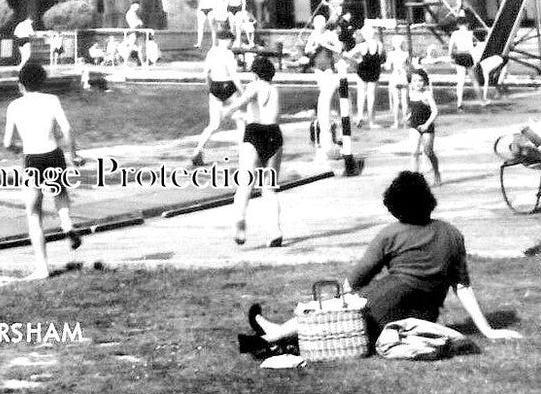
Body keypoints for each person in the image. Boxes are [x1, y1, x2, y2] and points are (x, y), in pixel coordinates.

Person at [247, 171, 522, 351]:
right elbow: (462, 287)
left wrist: (331, 305)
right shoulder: (452, 233)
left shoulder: (390, 234)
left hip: (383, 306)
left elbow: (353, 282)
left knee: (336, 309)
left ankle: (276, 334)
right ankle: (279, 332)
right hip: (423, 317)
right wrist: (488, 330)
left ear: (394, 204)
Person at [3, 62, 83, 280]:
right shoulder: (52, 100)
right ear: (42, 81)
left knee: (34, 214)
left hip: (32, 157)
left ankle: (42, 268)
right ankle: (67, 224)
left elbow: (7, 143)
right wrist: (73, 155)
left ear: (20, 85)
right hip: (53, 153)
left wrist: (19, 149)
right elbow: (67, 130)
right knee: (60, 194)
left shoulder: (15, 106)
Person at [221, 57, 284, 247]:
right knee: (269, 188)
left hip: (255, 134)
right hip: (274, 134)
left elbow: (243, 101)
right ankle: (275, 231)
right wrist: (244, 115)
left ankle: (240, 224)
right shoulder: (275, 90)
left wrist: (227, 111)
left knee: (245, 185)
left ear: (255, 74)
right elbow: (266, 111)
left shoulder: (254, 86)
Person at [191, 31, 242, 167]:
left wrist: (210, 88)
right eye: (231, 41)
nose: (232, 44)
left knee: (214, 124)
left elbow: (206, 73)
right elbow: (233, 75)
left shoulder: (211, 53)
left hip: (215, 86)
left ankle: (198, 150)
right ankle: (244, 153)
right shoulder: (228, 54)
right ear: (226, 40)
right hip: (229, 86)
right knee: (240, 120)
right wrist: (242, 91)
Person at [305, 15, 343, 154]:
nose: (319, 26)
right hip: (317, 66)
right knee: (323, 95)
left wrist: (326, 44)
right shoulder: (313, 35)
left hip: (327, 65)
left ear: (325, 24)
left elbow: (339, 48)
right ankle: (324, 121)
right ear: (314, 24)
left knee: (328, 93)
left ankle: (329, 121)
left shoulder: (330, 34)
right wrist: (315, 46)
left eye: (321, 23)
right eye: (316, 23)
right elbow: (307, 50)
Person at [407, 69, 441, 185]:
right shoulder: (411, 93)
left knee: (428, 152)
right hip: (414, 126)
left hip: (427, 127)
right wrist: (408, 116)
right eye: (415, 81)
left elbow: (435, 111)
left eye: (420, 80)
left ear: (425, 81)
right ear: (411, 82)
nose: (417, 83)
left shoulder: (427, 94)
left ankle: (437, 173)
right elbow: (413, 108)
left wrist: (426, 125)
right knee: (414, 152)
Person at [350, 24, 386, 128]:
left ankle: (360, 117)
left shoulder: (361, 45)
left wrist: (357, 61)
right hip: (374, 70)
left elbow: (347, 54)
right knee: (371, 96)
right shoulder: (379, 44)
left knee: (362, 95)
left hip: (363, 69)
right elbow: (380, 58)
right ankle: (371, 121)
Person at [447, 22, 482, 109]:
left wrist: (450, 57)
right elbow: (471, 48)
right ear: (467, 24)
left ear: (458, 25)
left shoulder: (455, 33)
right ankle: (481, 100)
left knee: (460, 80)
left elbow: (450, 46)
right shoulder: (470, 33)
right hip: (467, 55)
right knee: (474, 80)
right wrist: (475, 60)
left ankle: (459, 103)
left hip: (459, 55)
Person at [385, 34, 412, 130]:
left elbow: (388, 67)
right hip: (403, 76)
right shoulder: (406, 54)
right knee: (404, 100)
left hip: (395, 76)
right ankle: (405, 121)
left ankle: (396, 122)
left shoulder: (391, 54)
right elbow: (409, 66)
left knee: (396, 101)